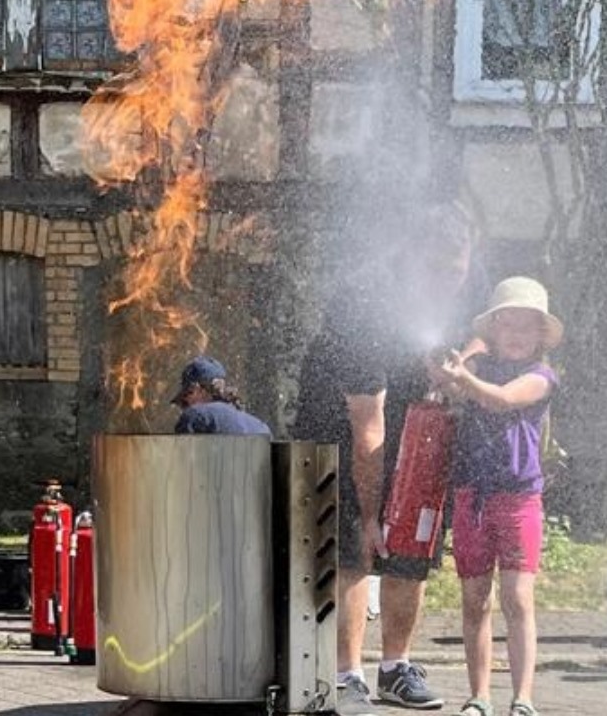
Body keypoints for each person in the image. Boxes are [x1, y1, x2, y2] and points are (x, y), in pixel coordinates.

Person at [291, 202, 488, 714]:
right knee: (356, 547)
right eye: (439, 272)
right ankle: (345, 675)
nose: (449, 284)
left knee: (411, 545)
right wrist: (374, 512)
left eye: (457, 272)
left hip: (413, 432)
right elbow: (367, 430)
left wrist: (460, 363)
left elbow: (487, 330)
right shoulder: (363, 303)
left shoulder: (464, 277)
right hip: (339, 435)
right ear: (413, 256)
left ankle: (395, 668)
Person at [431, 277, 563, 716]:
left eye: (528, 327)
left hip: (520, 499)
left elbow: (503, 401)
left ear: (542, 337)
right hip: (473, 495)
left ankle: (523, 698)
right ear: (493, 330)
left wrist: (462, 373)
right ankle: (479, 696)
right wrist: (459, 359)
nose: (518, 335)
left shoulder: (541, 376)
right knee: (474, 599)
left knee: (517, 599)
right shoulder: (479, 366)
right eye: (508, 325)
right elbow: (445, 383)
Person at [169, 355, 272, 436]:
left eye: (184, 401)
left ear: (197, 390)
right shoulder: (261, 428)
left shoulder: (195, 416)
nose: (183, 408)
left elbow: (183, 460)